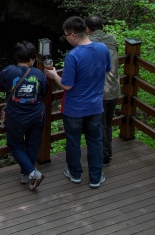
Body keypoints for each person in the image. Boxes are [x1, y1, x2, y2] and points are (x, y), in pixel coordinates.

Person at [44, 16, 111, 189]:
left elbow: (67, 85)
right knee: (94, 141)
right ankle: (96, 177)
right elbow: (107, 70)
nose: (66, 38)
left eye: (66, 35)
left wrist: (54, 76)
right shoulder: (103, 48)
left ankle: (75, 174)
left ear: (73, 35)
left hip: (74, 107)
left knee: (73, 141)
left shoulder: (73, 55)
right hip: (95, 105)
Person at [0, 41, 48, 191]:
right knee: (32, 144)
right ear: (32, 59)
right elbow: (44, 91)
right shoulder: (38, 74)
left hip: (16, 117)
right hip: (37, 115)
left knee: (15, 145)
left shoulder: (9, 71)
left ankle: (32, 173)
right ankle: (26, 175)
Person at [85, 15, 121, 166]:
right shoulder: (112, 39)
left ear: (87, 29)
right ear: (103, 26)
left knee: (99, 125)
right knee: (108, 122)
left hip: (99, 91)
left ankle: (104, 155)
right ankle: (108, 151)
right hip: (114, 88)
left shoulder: (89, 43)